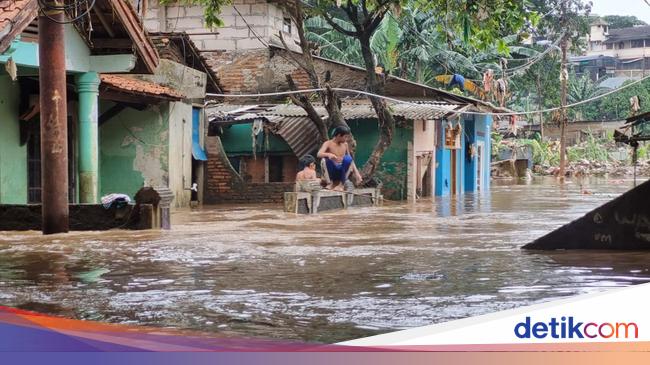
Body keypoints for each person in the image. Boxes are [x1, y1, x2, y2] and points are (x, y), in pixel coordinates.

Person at [317, 126, 362, 191]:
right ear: (339, 135)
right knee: (324, 160)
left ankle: (341, 185)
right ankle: (330, 183)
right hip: (332, 171)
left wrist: (357, 174)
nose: (346, 139)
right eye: (345, 137)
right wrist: (328, 154)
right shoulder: (328, 143)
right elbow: (319, 154)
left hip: (342, 171)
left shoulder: (345, 145)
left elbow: (350, 160)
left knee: (348, 158)